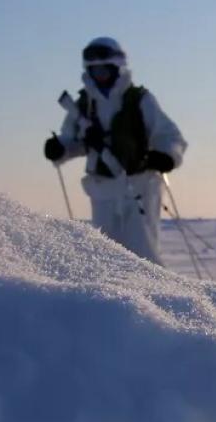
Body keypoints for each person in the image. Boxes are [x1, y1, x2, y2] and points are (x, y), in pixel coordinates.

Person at [44, 37, 187, 265]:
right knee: (105, 255)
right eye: (95, 70)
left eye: (104, 69)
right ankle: (110, 298)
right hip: (103, 190)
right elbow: (74, 142)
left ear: (116, 68)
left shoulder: (139, 100)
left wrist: (167, 156)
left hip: (140, 185)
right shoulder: (83, 105)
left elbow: (170, 136)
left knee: (143, 253)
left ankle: (152, 295)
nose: (100, 75)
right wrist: (59, 149)